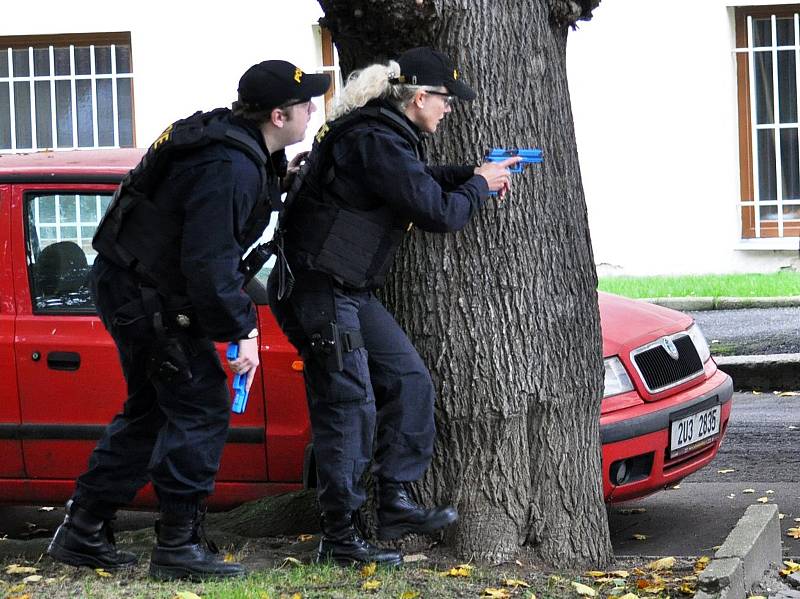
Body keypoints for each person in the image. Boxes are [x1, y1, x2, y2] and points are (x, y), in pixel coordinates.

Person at [47, 60, 330, 580]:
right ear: (276, 114)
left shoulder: (235, 145)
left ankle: (82, 530)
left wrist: (281, 178)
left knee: (152, 411)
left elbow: (205, 227)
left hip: (137, 284)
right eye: (305, 105)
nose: (312, 110)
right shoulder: (228, 167)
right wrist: (242, 330)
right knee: (200, 406)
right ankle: (177, 544)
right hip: (146, 296)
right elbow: (209, 263)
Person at [268, 46, 519, 566]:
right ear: (419, 97)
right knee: (349, 409)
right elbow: (437, 212)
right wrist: (478, 185)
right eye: (446, 100)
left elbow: (412, 181)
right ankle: (340, 537)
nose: (450, 109)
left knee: (409, 382)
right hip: (320, 291)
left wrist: (468, 173)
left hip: (345, 291)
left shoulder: (381, 136)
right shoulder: (375, 140)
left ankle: (395, 503)